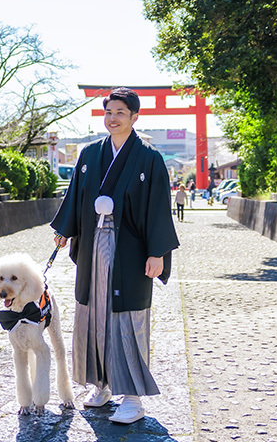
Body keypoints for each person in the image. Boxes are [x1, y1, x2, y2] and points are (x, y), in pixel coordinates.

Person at [51, 87, 180, 424]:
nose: (113, 118)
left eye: (120, 112)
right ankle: (102, 384)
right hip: (94, 244)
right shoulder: (90, 155)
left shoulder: (149, 159)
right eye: (109, 112)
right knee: (94, 314)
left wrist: (158, 253)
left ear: (134, 117)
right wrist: (65, 228)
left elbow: (157, 210)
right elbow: (76, 197)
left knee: (128, 319)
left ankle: (133, 397)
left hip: (131, 249)